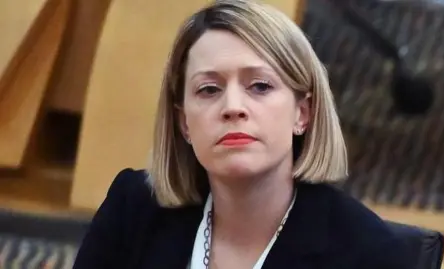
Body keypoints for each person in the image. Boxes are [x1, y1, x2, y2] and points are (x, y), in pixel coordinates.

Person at [73, 0, 411, 268]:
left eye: (260, 86)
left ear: (302, 113)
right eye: (208, 89)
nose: (233, 107)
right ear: (184, 123)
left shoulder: (370, 254)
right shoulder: (133, 209)